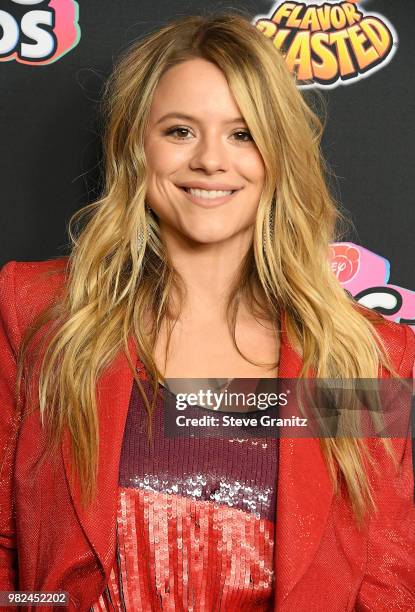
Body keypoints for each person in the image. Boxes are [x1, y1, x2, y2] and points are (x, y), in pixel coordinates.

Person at [0, 11, 414, 612]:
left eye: (243, 133)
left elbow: (386, 584)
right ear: (135, 147)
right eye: (179, 131)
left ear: (280, 155)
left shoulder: (364, 359)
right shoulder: (38, 314)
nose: (211, 161)